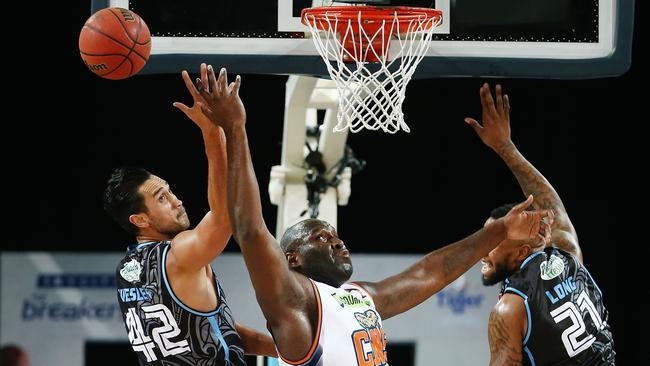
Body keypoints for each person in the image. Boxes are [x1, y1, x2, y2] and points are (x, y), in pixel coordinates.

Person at [194, 65, 555, 366]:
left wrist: (502, 229)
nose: (336, 240)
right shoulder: (294, 300)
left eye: (334, 233)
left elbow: (431, 271)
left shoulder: (360, 296)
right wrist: (235, 128)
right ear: (293, 259)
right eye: (320, 237)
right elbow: (252, 230)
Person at [103, 64, 276, 365]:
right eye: (162, 198)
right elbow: (224, 218)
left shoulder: (127, 269)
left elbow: (211, 334)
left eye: (169, 191)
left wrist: (286, 348)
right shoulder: (177, 255)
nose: (177, 200)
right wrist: (213, 132)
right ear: (140, 220)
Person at [465, 83, 615, 365]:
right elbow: (552, 205)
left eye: (492, 243)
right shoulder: (568, 256)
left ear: (522, 252)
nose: (481, 251)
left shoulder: (509, 309)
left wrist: (504, 147)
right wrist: (505, 147)